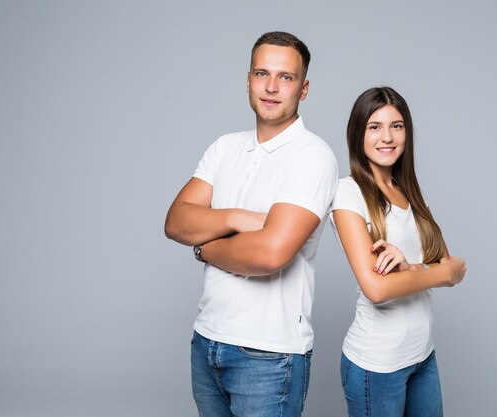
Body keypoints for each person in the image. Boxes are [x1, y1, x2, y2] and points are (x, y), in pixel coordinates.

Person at [164, 31, 338, 417]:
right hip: (207, 340)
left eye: (286, 77)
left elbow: (269, 254)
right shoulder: (223, 147)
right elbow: (176, 221)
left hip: (268, 354)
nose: (272, 87)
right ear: (248, 80)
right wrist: (240, 218)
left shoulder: (311, 157)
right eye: (262, 74)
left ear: (303, 88)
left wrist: (204, 246)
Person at [330, 86, 467, 417]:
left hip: (422, 355)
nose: (387, 137)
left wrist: (411, 270)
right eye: (374, 127)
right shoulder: (348, 193)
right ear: (358, 134)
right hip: (377, 364)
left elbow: (454, 269)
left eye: (397, 126)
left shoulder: (412, 194)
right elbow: (377, 288)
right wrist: (437, 272)